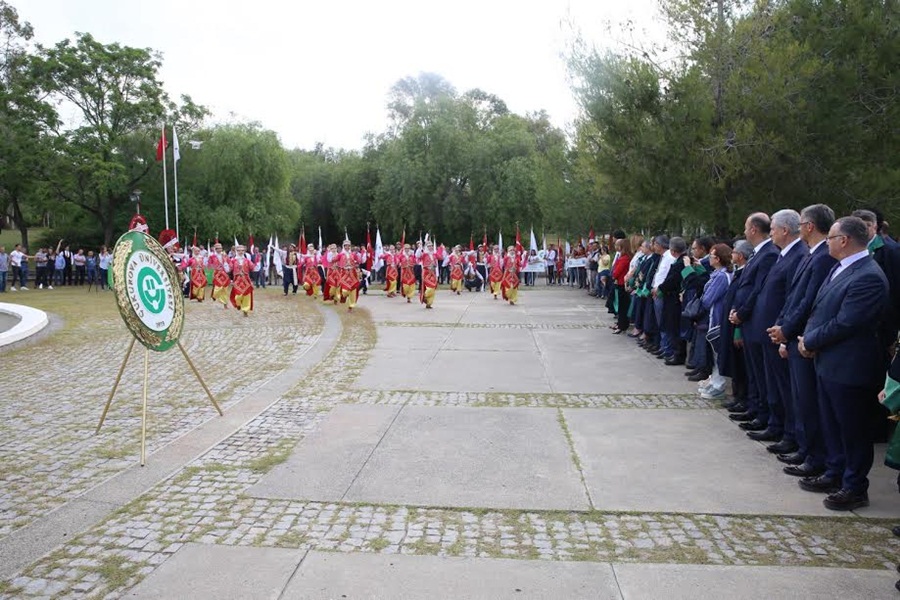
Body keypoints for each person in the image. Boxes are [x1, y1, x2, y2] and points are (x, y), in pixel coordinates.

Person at [798, 216, 888, 511]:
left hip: (850, 366)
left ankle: (854, 487)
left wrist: (810, 341)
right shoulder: (840, 267)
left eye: (832, 238)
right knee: (832, 425)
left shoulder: (868, 276)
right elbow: (820, 309)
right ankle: (835, 472)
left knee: (852, 429)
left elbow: (846, 323)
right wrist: (808, 338)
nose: (827, 243)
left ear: (845, 240)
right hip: (828, 361)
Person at [767, 204, 836, 477]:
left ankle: (814, 455)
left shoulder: (821, 258)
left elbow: (808, 302)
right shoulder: (810, 254)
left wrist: (787, 329)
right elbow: (793, 296)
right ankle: (807, 449)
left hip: (804, 337)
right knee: (799, 397)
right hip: (793, 334)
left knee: (807, 400)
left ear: (808, 226)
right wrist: (782, 326)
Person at [729, 213, 779, 433]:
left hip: (755, 320)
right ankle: (756, 408)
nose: (745, 230)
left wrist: (741, 312)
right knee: (754, 372)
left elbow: (757, 290)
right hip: (748, 321)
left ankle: (765, 414)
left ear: (754, 229)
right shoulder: (760, 253)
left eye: (746, 227)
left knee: (762, 373)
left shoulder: (768, 254)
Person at [695, 244, 733, 400]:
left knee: (718, 353)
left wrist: (703, 298)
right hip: (714, 317)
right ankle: (715, 379)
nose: (709, 259)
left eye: (711, 256)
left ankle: (719, 384)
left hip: (717, 318)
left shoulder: (722, 277)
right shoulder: (717, 274)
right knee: (715, 353)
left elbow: (708, 299)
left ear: (717, 259)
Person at [228, 244, 257, 316]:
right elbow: (229, 270)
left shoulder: (247, 260)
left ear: (244, 251)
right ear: (236, 251)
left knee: (247, 295)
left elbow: (253, 268)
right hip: (237, 281)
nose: (241, 252)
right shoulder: (233, 260)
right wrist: (231, 280)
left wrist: (256, 260)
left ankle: (245, 310)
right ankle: (238, 304)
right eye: (239, 251)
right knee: (238, 295)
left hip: (246, 280)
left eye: (242, 251)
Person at [611, 238, 632, 334]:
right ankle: (620, 323)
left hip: (622, 283)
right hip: (620, 283)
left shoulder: (625, 258)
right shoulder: (622, 257)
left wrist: (613, 275)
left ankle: (622, 325)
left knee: (622, 306)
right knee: (621, 305)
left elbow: (618, 271)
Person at [337, 239, 361, 310]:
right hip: (344, 273)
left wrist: (356, 263)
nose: (347, 247)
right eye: (346, 246)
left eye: (348, 246)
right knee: (344, 291)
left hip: (352, 273)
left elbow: (359, 261)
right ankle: (343, 296)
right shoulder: (340, 254)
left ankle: (351, 306)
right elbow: (332, 260)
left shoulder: (353, 254)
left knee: (353, 289)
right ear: (343, 246)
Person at [206, 243, 231, 308]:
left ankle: (225, 303)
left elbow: (230, 262)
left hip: (224, 274)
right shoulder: (212, 256)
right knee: (218, 287)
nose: (219, 249)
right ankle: (214, 295)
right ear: (215, 249)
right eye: (217, 248)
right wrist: (214, 267)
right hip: (217, 274)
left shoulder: (225, 255)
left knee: (224, 289)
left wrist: (229, 267)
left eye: (220, 248)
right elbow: (209, 264)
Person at [420, 241, 438, 308]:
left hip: (433, 273)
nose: (430, 247)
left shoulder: (434, 255)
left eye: (431, 246)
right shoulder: (424, 254)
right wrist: (420, 248)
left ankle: (429, 303)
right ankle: (425, 296)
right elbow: (418, 255)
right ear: (426, 247)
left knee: (433, 288)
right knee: (429, 288)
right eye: (429, 246)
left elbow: (438, 261)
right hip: (426, 272)